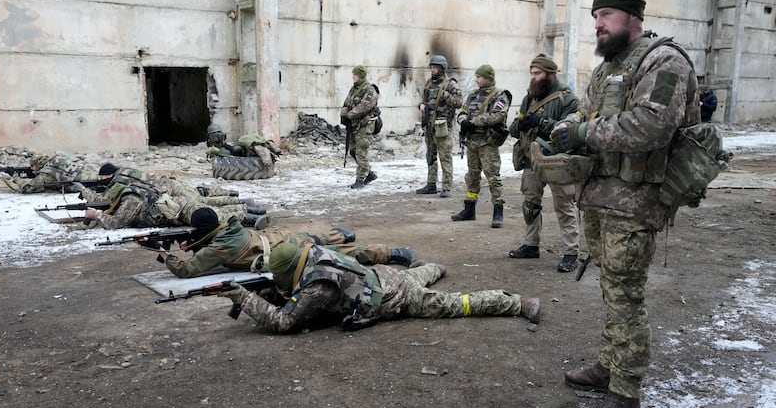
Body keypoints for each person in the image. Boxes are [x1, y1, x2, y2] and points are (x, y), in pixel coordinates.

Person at [549, 0, 699, 408]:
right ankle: (610, 366)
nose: (598, 23)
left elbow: (651, 126)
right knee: (611, 291)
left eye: (606, 15)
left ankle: (626, 400)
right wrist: (566, 127)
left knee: (625, 297)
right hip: (600, 198)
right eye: (595, 16)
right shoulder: (608, 67)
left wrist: (583, 135)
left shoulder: (664, 61)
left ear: (633, 16)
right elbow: (587, 114)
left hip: (635, 204)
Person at [215, 241, 542, 334]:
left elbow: (284, 321)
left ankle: (515, 303)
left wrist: (244, 298)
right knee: (420, 273)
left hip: (397, 297)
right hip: (385, 275)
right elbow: (289, 293)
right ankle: (435, 266)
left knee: (455, 305)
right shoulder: (313, 253)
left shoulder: (317, 287)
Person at [158, 207, 418, 278]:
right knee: (321, 240)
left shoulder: (217, 249)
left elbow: (187, 270)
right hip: (279, 239)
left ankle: (392, 253)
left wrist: (163, 254)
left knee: (338, 257)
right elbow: (208, 240)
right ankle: (346, 235)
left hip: (283, 256)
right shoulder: (230, 229)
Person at [507, 54, 581, 272]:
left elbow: (570, 130)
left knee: (564, 206)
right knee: (530, 204)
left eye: (537, 73)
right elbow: (516, 126)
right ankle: (531, 245)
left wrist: (541, 122)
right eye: (531, 73)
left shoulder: (567, 99)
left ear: (550, 74)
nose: (533, 77)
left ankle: (571, 252)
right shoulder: (530, 97)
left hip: (557, 161)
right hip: (532, 160)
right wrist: (519, 125)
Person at [79, 163, 269, 230]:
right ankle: (249, 209)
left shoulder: (130, 198)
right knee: (208, 205)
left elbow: (118, 223)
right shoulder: (128, 188)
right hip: (175, 204)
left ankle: (249, 215)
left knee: (210, 214)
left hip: (176, 210)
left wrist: (97, 216)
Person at [451, 65, 511, 228]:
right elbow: (462, 111)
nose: (476, 79)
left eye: (479, 77)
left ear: (488, 78)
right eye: (476, 76)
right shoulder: (473, 95)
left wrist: (474, 122)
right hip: (472, 142)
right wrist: (463, 121)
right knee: (472, 176)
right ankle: (469, 208)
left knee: (493, 177)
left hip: (487, 143)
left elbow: (498, 115)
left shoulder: (500, 95)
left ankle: (498, 210)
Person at [415, 55, 463, 198]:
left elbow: (459, 102)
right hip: (429, 125)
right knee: (430, 155)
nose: (432, 69)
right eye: (431, 67)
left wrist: (445, 95)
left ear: (442, 68)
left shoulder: (450, 84)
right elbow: (424, 99)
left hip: (442, 126)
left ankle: (447, 187)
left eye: (435, 67)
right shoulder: (429, 83)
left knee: (445, 157)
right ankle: (431, 184)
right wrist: (421, 105)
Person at [340, 65, 380, 189]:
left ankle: (360, 179)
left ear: (361, 76)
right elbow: (347, 102)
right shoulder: (354, 89)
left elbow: (364, 106)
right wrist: (343, 114)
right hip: (354, 125)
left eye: (355, 74)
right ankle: (369, 173)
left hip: (365, 125)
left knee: (361, 152)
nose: (353, 76)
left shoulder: (369, 90)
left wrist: (350, 115)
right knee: (353, 150)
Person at [3, 154, 88, 194]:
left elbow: (27, 189)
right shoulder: (55, 159)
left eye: (33, 166)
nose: (31, 168)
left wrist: (15, 176)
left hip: (84, 184)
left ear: (39, 163)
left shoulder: (45, 173)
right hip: (86, 174)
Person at [206, 123, 282, 167]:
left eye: (218, 136)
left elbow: (233, 152)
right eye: (214, 136)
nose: (216, 138)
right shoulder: (225, 147)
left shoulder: (224, 149)